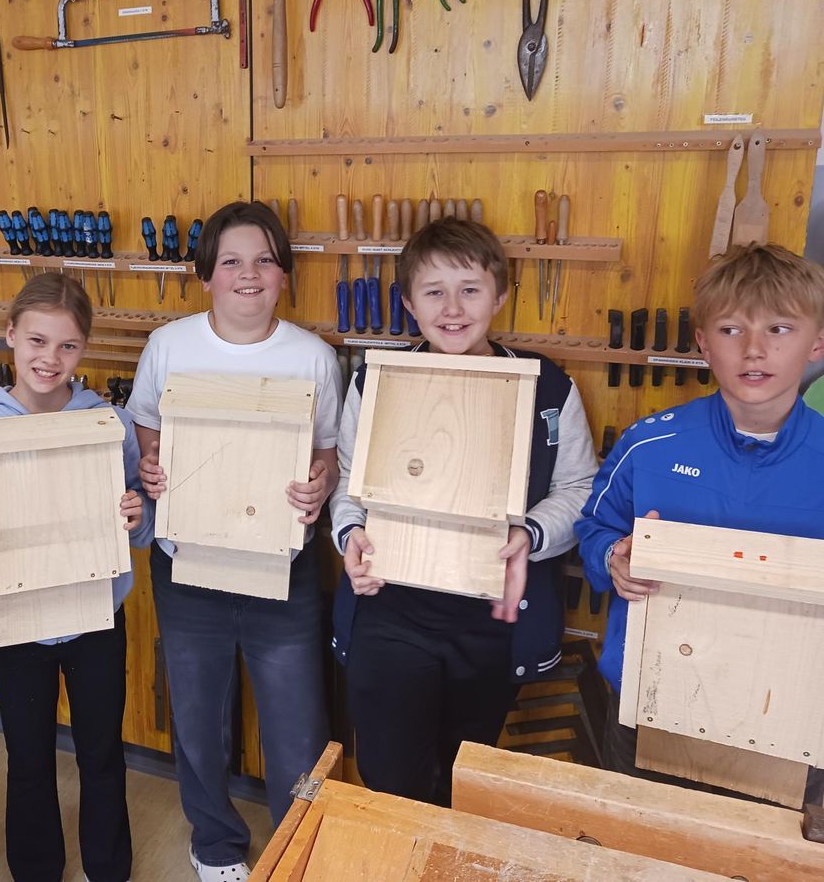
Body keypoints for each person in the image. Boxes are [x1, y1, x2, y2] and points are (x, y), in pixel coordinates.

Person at [329, 218, 598, 805]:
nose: (453, 308)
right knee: (390, 784)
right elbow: (350, 484)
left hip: (492, 624)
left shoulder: (548, 387)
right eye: (434, 291)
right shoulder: (375, 380)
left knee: (461, 783)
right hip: (391, 613)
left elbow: (580, 489)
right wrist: (350, 533)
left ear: (499, 295)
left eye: (470, 289)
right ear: (408, 303)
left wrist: (530, 533)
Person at [126, 201, 342, 881]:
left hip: (285, 569)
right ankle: (216, 845)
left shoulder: (314, 356)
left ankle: (295, 849)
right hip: (188, 566)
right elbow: (146, 433)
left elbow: (330, 452)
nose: (248, 275)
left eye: (264, 260)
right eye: (231, 262)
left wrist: (319, 483)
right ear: (207, 275)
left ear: (284, 274)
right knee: (197, 722)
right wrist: (152, 466)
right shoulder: (169, 344)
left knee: (298, 731)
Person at [575, 243, 824, 792]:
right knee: (637, 853)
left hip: (792, 719)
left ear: (817, 342)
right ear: (703, 344)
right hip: (651, 702)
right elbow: (593, 528)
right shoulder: (651, 444)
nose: (755, 350)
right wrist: (614, 556)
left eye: (780, 329)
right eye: (733, 330)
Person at [0, 273, 152, 882]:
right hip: (17, 620)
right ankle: (36, 870)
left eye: (67, 346)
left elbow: (136, 523)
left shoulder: (105, 423)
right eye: (36, 341)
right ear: (10, 335)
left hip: (95, 614)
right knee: (28, 758)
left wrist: (138, 515)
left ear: (83, 348)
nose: (50, 359)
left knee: (101, 752)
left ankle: (108, 868)